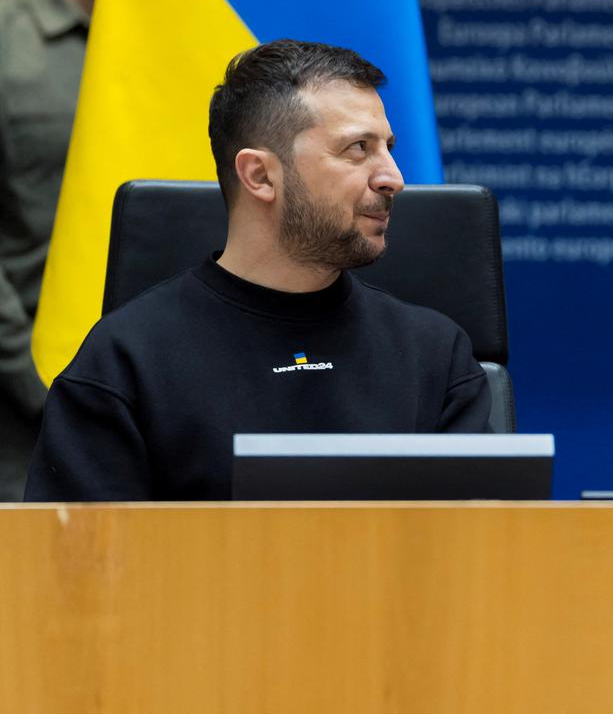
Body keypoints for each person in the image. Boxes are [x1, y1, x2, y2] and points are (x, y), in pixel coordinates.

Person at [26, 40, 491, 501]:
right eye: (358, 148)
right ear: (260, 176)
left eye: (387, 147)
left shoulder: (435, 355)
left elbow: (484, 552)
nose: (393, 177)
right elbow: (76, 567)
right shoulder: (125, 362)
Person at [0, 0, 137, 500]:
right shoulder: (6, 42)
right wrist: (35, 381)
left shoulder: (158, 48)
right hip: (20, 411)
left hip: (149, 398)